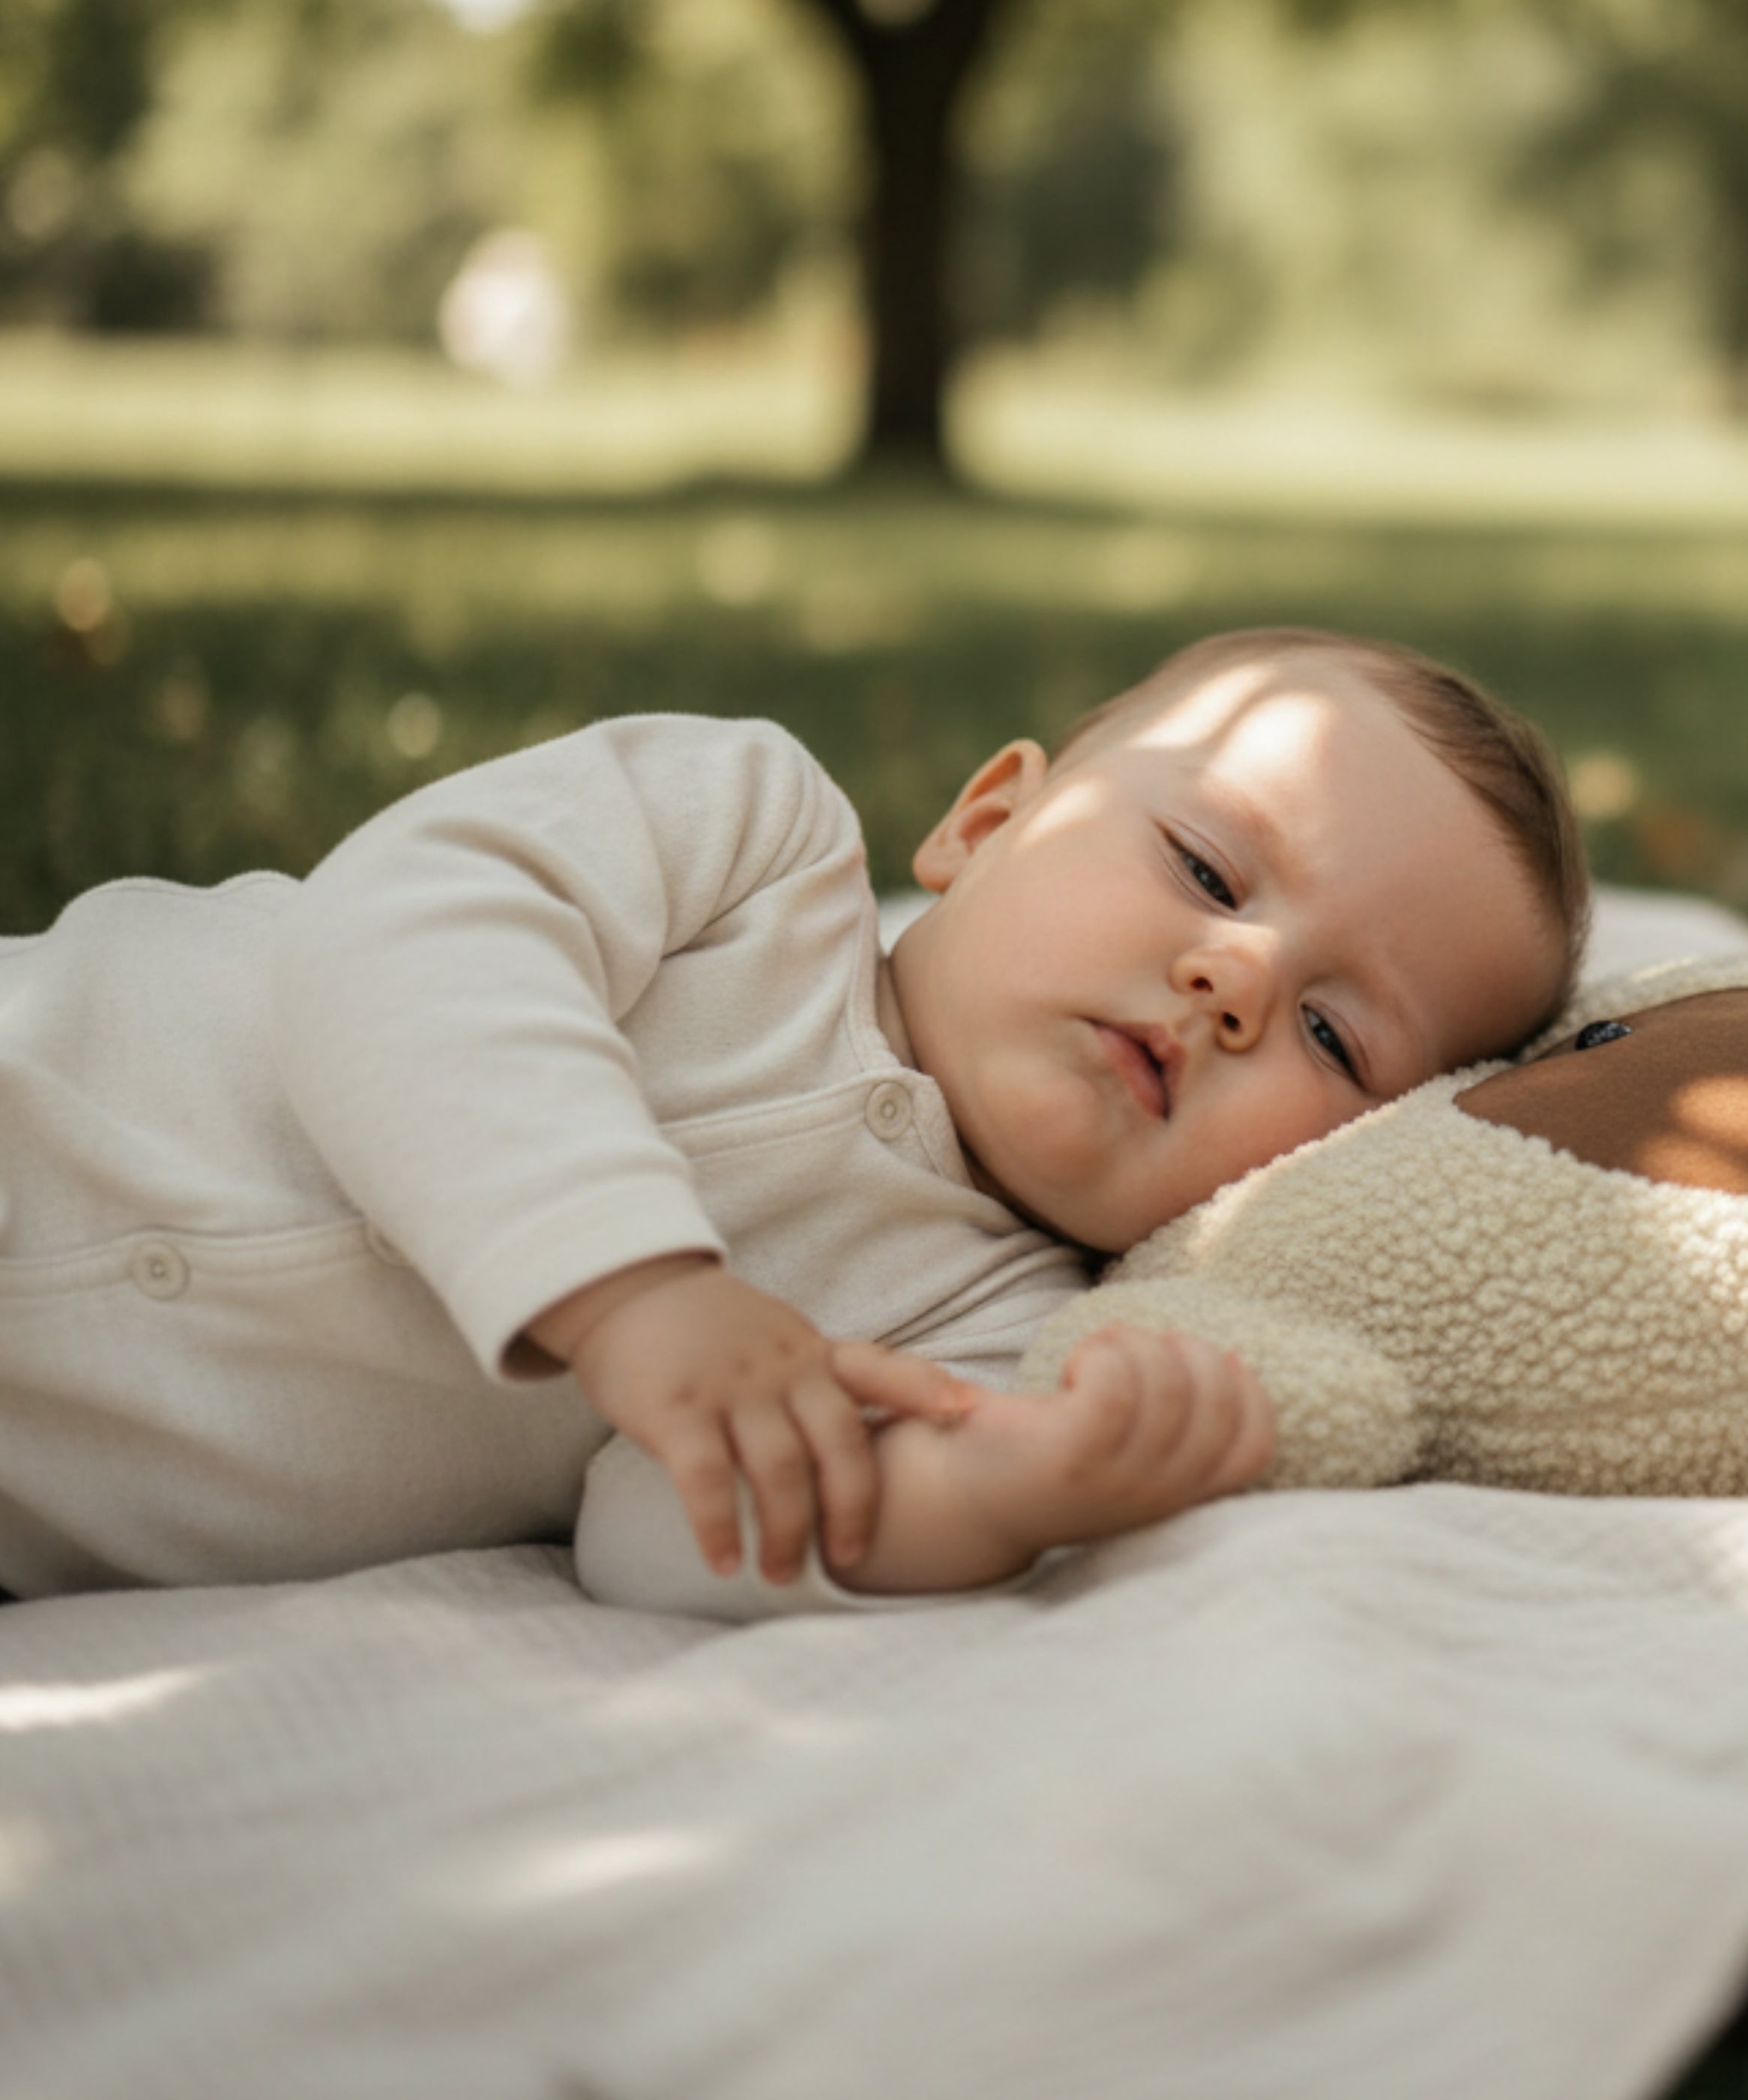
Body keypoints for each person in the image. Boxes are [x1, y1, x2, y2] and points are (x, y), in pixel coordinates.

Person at [0, 629, 1588, 1617]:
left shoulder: (990, 1320)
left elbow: (667, 1525)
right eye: (1207, 867)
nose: (1235, 975)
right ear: (985, 821)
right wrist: (633, 1290)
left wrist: (1005, 1496)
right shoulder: (747, 842)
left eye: (1329, 1031)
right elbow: (395, 938)